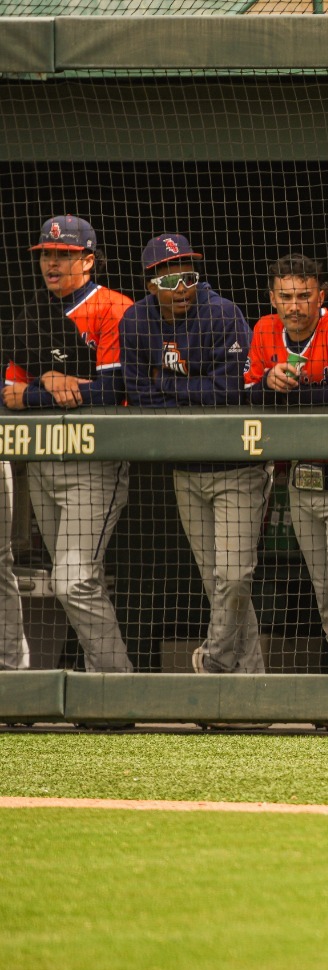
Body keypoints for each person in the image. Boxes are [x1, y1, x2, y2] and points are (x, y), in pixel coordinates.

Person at [121, 234, 263, 675]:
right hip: (185, 469)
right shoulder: (135, 320)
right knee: (217, 584)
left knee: (234, 577)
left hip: (238, 465)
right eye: (170, 280)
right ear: (151, 284)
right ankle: (253, 686)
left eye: (189, 277)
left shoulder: (221, 312)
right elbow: (137, 395)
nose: (182, 288)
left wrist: (166, 385)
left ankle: (215, 662)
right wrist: (183, 390)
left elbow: (230, 391)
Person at [2, 216, 133, 673]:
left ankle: (117, 688)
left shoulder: (114, 308)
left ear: (89, 260)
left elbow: (111, 390)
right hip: (43, 463)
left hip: (94, 465)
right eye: (46, 255)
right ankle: (106, 682)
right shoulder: (31, 312)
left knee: (74, 580)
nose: (52, 263)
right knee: (70, 581)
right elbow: (8, 393)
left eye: (64, 255)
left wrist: (39, 390)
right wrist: (46, 384)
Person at [243, 254, 328, 670]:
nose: (294, 305)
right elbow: (246, 394)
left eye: (304, 296)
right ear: (273, 297)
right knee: (325, 597)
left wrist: (288, 394)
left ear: (320, 295)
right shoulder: (265, 329)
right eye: (285, 296)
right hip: (301, 481)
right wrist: (269, 383)